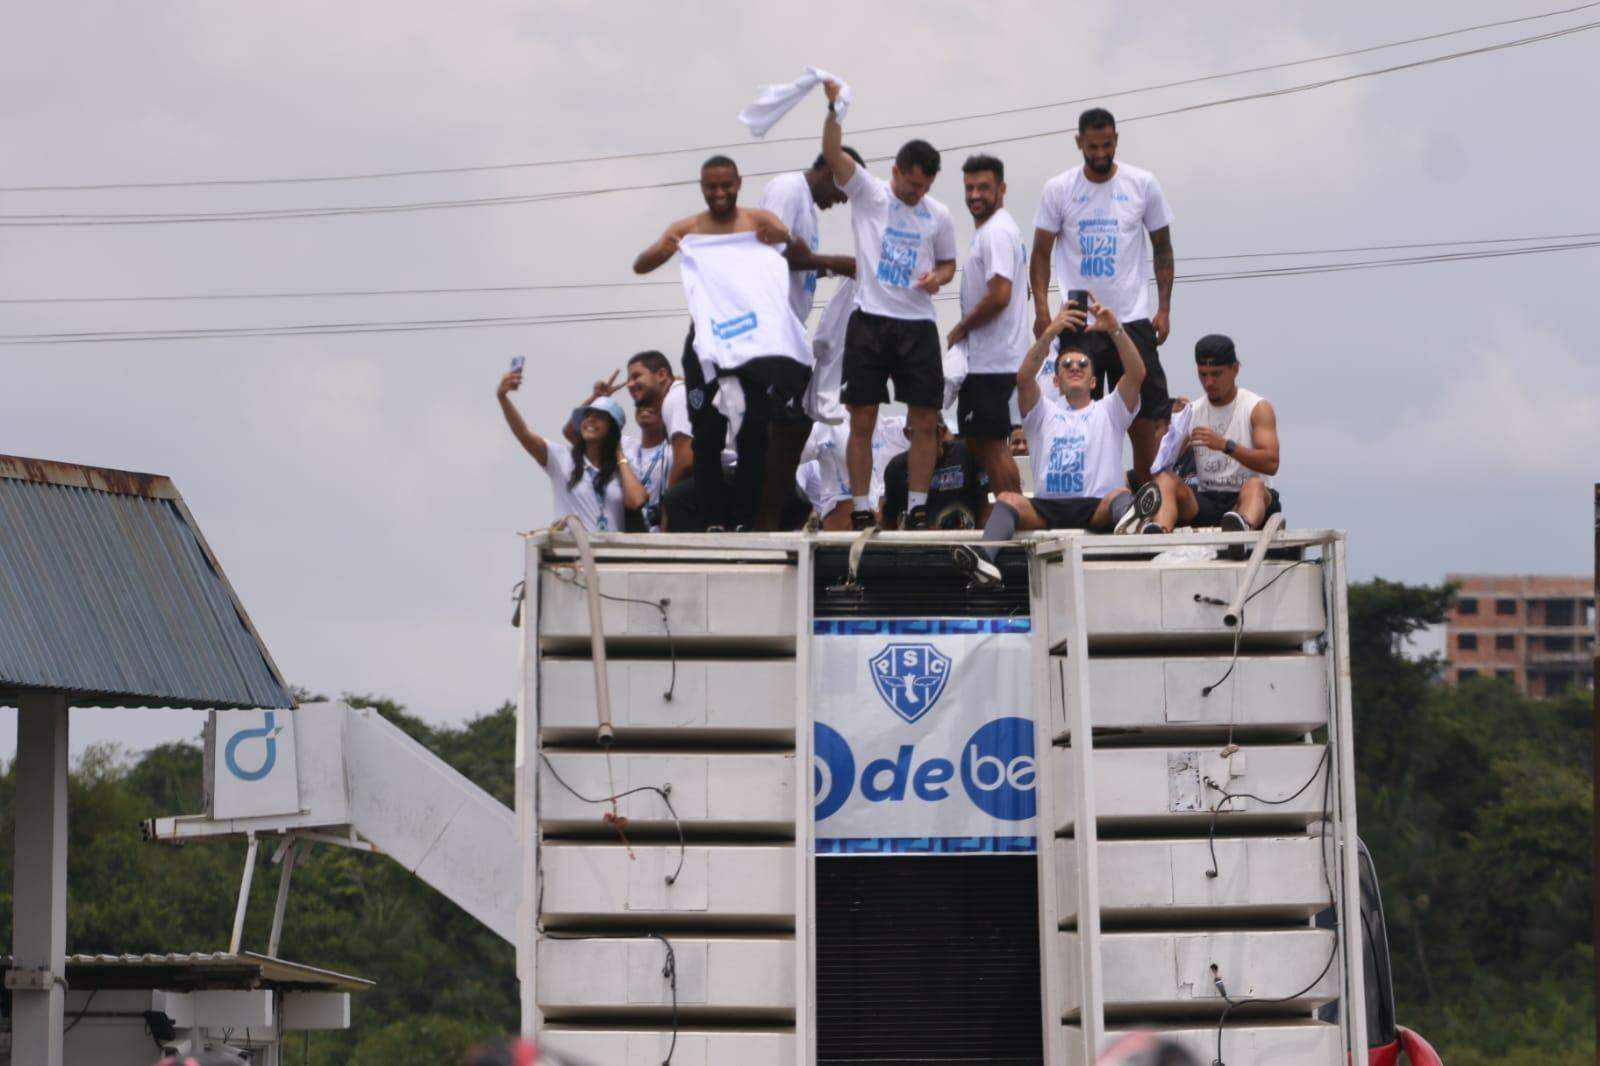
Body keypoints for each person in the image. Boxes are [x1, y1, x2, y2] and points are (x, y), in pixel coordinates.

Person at [632, 155, 811, 530]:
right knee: (708, 436)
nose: (719, 193)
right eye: (711, 187)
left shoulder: (757, 222)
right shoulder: (690, 228)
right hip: (706, 345)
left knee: (753, 431)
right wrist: (667, 246)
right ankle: (712, 518)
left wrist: (781, 238)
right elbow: (640, 264)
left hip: (749, 344)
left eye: (726, 185)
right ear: (701, 187)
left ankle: (745, 517)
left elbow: (791, 247)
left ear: (738, 183)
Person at [820, 78, 957, 530]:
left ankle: (917, 505)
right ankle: (861, 507)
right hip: (871, 320)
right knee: (862, 417)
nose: (916, 193)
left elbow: (949, 263)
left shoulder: (938, 215)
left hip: (917, 323)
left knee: (923, 418)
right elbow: (834, 155)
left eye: (924, 186)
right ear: (896, 170)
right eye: (911, 183)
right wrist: (835, 111)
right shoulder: (869, 192)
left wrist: (937, 278)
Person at [952, 300, 1160, 588]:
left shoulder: (1109, 410)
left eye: (1083, 364)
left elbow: (1137, 374)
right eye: (1066, 365)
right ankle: (984, 560)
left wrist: (1115, 329)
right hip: (1047, 508)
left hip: (1095, 507)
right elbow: (1023, 378)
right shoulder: (1043, 413)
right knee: (1007, 499)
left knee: (1120, 494)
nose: (1075, 367)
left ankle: (1131, 527)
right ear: (1056, 380)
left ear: (1093, 381)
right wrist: (1049, 333)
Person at [1030, 107, 1175, 486]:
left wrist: (1164, 308)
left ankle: (1148, 498)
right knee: (1079, 412)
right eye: (1092, 146)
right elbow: (1041, 252)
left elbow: (1162, 246)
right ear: (1079, 143)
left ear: (1116, 140)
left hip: (1131, 319)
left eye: (1107, 144)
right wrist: (1042, 310)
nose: (1100, 152)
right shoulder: (1059, 189)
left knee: (1147, 419)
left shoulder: (1142, 184)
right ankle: (1091, 492)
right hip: (1080, 320)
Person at [947, 154, 1027, 523]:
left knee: (992, 443)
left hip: (995, 360)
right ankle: (1006, 514)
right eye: (969, 188)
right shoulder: (993, 230)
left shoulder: (996, 230)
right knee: (980, 440)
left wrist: (962, 327)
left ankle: (1015, 515)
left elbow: (1000, 294)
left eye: (983, 187)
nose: (975, 195)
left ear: (1002, 189)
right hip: (991, 359)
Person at [1147, 333, 1281, 533]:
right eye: (1203, 374)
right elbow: (1159, 467)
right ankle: (1157, 533)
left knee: (1254, 485)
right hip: (1209, 499)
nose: (1208, 382)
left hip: (1249, 498)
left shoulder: (1256, 408)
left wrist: (1226, 446)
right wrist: (1169, 430)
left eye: (1216, 374)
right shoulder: (1192, 411)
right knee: (1166, 480)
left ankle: (1239, 532)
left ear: (1235, 369)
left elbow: (1271, 463)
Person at [497, 366, 647, 533]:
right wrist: (503, 398)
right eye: (587, 416)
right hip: (573, 555)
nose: (590, 420)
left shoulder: (622, 468)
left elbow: (636, 501)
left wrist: (619, 453)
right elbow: (524, 434)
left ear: (612, 430)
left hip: (611, 556)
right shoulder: (562, 458)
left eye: (599, 417)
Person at [759, 150, 863, 323]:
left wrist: (837, 268)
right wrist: (831, 262)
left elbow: (800, 268)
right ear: (831, 172)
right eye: (847, 189)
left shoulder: (809, 212)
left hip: (789, 327)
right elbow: (771, 252)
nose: (845, 199)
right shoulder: (788, 188)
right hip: (770, 320)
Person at [881, 420, 987, 530]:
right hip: (915, 542)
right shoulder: (897, 467)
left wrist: (984, 543)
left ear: (941, 432)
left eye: (927, 434)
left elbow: (986, 504)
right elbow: (889, 519)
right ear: (908, 434)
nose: (923, 444)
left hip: (962, 542)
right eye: (916, 435)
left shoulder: (966, 454)